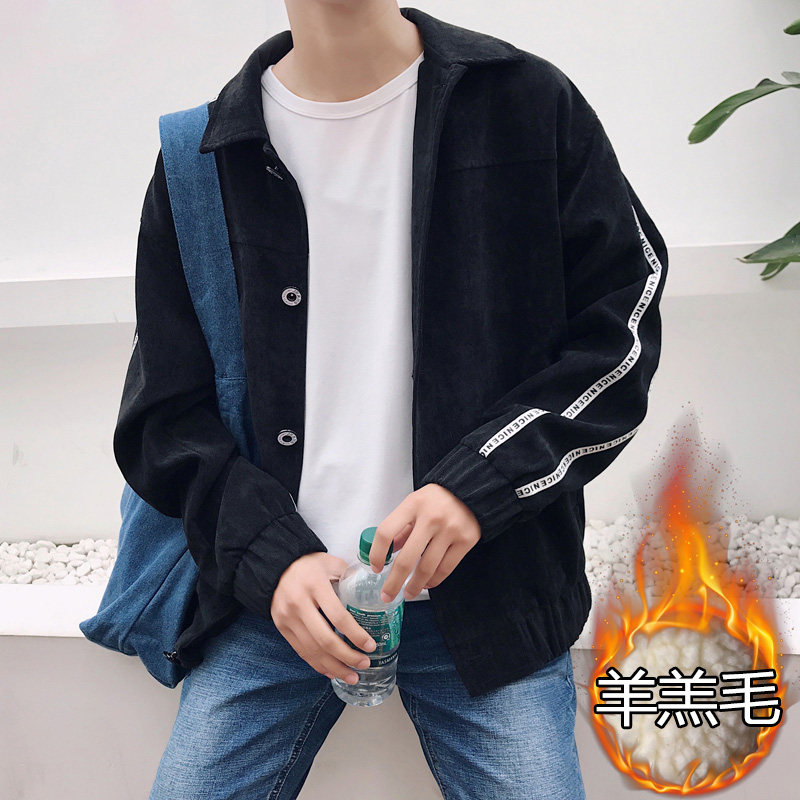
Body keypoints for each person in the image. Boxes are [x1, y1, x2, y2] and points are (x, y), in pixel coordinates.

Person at [115, 2, 668, 798]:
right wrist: (273, 561)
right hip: (280, 606)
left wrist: (479, 484)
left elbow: (622, 324)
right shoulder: (202, 156)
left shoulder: (524, 103)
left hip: (490, 593)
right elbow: (166, 416)